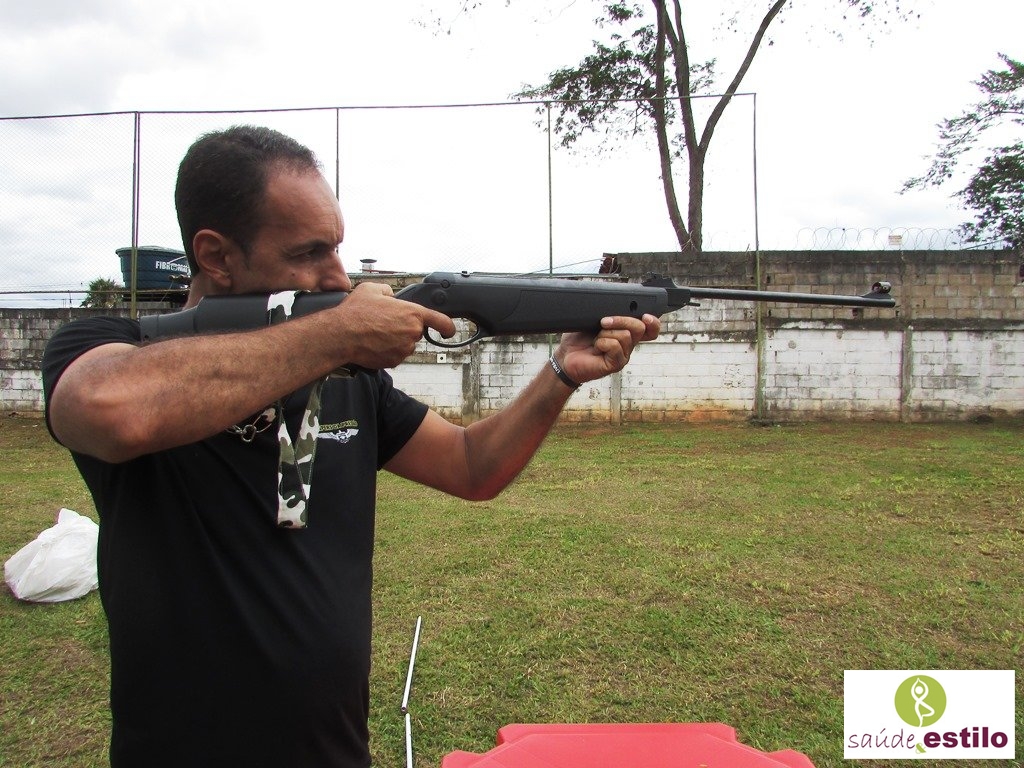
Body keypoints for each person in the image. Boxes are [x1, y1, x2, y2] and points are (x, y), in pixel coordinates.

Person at [42, 125, 659, 768]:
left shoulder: (347, 379)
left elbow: (473, 466)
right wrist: (337, 335)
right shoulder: (118, 347)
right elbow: (108, 410)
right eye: (309, 252)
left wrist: (560, 374)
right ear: (216, 256)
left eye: (336, 247)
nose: (338, 275)